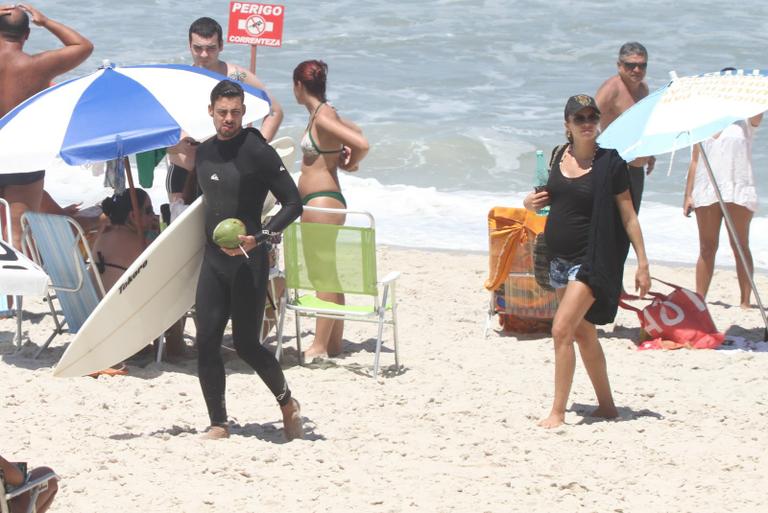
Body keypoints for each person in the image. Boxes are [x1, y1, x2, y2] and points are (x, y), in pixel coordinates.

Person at [523, 95, 651, 429]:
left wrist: (642, 262)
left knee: (561, 329)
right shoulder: (556, 156)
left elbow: (628, 215)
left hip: (592, 261)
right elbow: (546, 202)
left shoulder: (611, 163)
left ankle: (558, 412)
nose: (586, 123)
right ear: (567, 125)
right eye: (578, 118)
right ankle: (607, 406)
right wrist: (529, 204)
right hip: (558, 259)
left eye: (592, 117)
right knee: (584, 334)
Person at [193, 79, 303, 440]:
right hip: (213, 260)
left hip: (247, 260)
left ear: (244, 113)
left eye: (236, 112)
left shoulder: (257, 151)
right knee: (206, 339)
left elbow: (293, 202)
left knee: (247, 344)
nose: (229, 119)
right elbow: (202, 207)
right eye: (222, 112)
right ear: (211, 111)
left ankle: (287, 402)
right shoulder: (204, 152)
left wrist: (262, 237)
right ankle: (219, 423)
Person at [293, 59, 369, 360]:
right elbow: (356, 129)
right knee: (328, 273)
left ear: (299, 86)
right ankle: (334, 342)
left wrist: (351, 162)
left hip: (322, 200)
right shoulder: (325, 113)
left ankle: (320, 345)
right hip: (323, 199)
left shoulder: (323, 116)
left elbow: (361, 142)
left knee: (321, 274)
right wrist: (343, 155)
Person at [0, 4, 93, 250]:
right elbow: (83, 47)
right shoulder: (36, 66)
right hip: (21, 160)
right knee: (17, 237)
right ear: (27, 35)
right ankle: (20, 289)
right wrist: (46, 21)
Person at [165, 17, 284, 206]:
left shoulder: (236, 76)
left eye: (211, 48)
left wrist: (256, 147)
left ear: (221, 45)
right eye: (198, 48)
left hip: (226, 169)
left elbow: (275, 111)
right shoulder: (180, 79)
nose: (204, 54)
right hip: (184, 172)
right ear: (189, 45)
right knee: (184, 232)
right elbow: (161, 125)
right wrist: (175, 145)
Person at [683, 79, 761, 308]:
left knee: (740, 244)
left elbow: (758, 109)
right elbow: (695, 161)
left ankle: (745, 300)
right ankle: (700, 300)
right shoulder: (702, 123)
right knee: (707, 247)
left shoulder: (744, 120)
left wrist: (747, 89)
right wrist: (688, 195)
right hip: (706, 188)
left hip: (737, 187)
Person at [595, 42, 655, 212]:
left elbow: (640, 126)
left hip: (636, 169)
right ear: (619, 65)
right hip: (616, 168)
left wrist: (649, 153)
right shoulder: (611, 89)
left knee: (631, 221)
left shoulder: (643, 89)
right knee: (615, 223)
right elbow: (586, 122)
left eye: (642, 65)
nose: (637, 70)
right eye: (630, 65)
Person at [91, 188, 158, 292]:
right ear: (133, 215)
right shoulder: (142, 244)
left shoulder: (102, 234)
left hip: (95, 303)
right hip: (123, 306)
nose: (153, 215)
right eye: (149, 211)